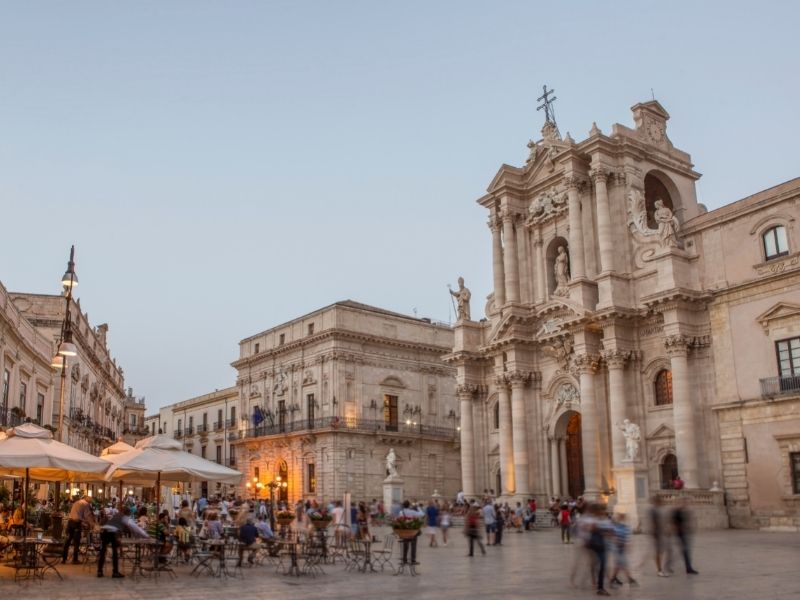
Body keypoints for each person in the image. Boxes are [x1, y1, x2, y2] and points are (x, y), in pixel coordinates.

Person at [97, 506, 149, 578]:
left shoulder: (116, 515)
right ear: (128, 513)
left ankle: (99, 571)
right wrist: (146, 536)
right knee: (115, 553)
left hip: (104, 532)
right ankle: (115, 572)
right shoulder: (125, 518)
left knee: (103, 551)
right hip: (112, 533)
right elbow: (135, 528)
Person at [63, 494, 95, 564]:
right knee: (76, 542)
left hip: (70, 522)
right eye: (90, 502)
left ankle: (64, 559)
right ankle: (75, 559)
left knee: (68, 541)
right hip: (76, 524)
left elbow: (78, 514)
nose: (90, 504)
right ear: (88, 500)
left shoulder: (76, 502)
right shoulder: (86, 504)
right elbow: (87, 515)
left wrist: (84, 521)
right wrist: (92, 524)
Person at [609, 513, 637, 587]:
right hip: (616, 548)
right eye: (621, 518)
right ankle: (630, 579)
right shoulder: (615, 527)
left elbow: (627, 537)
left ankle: (613, 579)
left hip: (621, 548)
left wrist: (627, 545)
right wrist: (617, 542)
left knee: (620, 564)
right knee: (622, 564)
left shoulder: (625, 527)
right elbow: (613, 536)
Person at [672, 498, 699, 575]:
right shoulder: (676, 511)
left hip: (685, 533)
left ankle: (688, 567)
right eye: (683, 502)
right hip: (681, 534)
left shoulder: (683, 511)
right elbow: (674, 523)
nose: (684, 503)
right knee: (683, 552)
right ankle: (669, 565)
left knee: (685, 552)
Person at [397, 500, 424, 565]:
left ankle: (404, 559)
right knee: (413, 545)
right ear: (409, 505)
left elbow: (400, 520)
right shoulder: (412, 512)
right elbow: (422, 514)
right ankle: (413, 560)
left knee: (405, 545)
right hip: (412, 531)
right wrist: (418, 507)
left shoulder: (401, 512)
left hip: (405, 531)